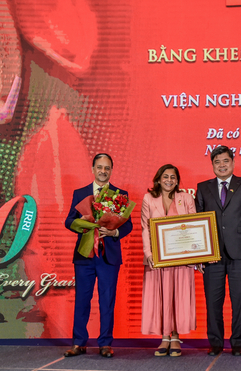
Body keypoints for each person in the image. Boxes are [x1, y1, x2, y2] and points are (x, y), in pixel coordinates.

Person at [63, 153, 133, 358]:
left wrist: (114, 232)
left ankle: (105, 343)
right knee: (82, 299)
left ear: (111, 170)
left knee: (107, 300)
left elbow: (127, 224)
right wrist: (84, 226)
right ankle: (79, 342)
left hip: (108, 256)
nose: (103, 171)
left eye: (107, 168)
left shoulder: (120, 194)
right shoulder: (80, 193)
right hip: (84, 255)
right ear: (93, 169)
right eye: (100, 167)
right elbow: (69, 220)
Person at [195, 145, 241, 356]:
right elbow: (197, 222)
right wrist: (199, 254)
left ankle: (238, 343)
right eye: (217, 162)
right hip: (212, 255)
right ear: (212, 165)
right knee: (213, 301)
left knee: (240, 300)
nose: (222, 165)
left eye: (225, 161)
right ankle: (215, 342)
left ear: (232, 163)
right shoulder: (203, 187)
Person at [140, 164, 197, 357]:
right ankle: (164, 337)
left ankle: (175, 337)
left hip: (181, 258)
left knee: (178, 298)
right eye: (166, 177)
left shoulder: (186, 198)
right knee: (161, 297)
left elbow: (193, 226)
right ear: (158, 179)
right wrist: (148, 254)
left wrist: (196, 255)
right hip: (157, 259)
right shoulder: (148, 198)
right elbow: (145, 228)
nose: (169, 180)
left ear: (177, 180)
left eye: (173, 177)